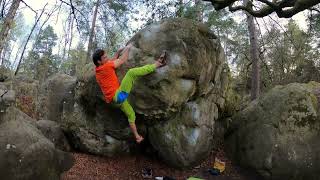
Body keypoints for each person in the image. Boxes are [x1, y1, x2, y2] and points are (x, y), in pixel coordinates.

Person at [92, 43, 167, 143]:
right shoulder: (106, 67)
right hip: (119, 96)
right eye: (104, 57)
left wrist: (118, 52)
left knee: (131, 114)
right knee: (131, 73)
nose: (107, 58)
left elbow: (111, 61)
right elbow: (122, 60)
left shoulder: (98, 69)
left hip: (116, 101)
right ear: (99, 61)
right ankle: (157, 64)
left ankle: (137, 137)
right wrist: (128, 48)